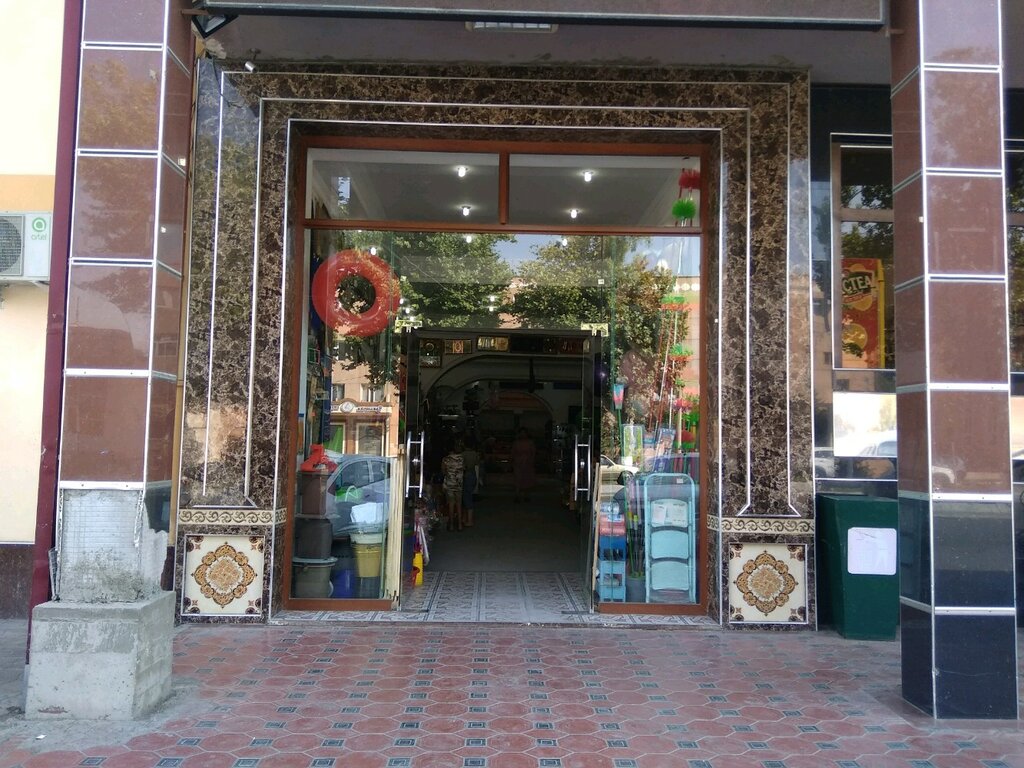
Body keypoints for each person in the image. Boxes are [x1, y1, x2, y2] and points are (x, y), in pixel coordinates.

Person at [441, 440, 465, 530]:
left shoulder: (445, 459)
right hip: (459, 483)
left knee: (451, 504)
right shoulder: (461, 458)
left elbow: (443, 471)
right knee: (459, 504)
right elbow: (464, 468)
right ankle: (459, 525)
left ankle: (451, 525)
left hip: (449, 483)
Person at [510, 428, 536, 502]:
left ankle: (526, 495)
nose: (523, 434)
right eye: (521, 433)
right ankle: (517, 495)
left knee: (527, 478)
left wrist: (531, 460)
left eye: (524, 433)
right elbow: (513, 452)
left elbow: (533, 452)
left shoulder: (530, 442)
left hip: (528, 462)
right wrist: (512, 461)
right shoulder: (516, 443)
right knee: (518, 478)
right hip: (518, 462)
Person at [461, 438, 482, 527]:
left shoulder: (463, 455)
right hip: (473, 475)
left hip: (466, 475)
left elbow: (462, 466)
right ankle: (466, 518)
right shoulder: (475, 454)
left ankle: (469, 520)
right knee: (468, 496)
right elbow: (477, 463)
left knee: (466, 497)